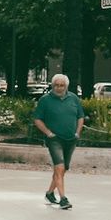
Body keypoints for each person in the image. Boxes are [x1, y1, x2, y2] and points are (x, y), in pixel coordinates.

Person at [32, 73, 84, 210]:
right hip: (54, 139)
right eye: (56, 85)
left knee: (63, 169)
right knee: (59, 167)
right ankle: (63, 199)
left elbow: (80, 117)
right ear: (52, 85)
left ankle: (50, 193)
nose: (59, 88)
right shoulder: (45, 100)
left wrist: (77, 133)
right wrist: (48, 133)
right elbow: (37, 119)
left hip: (71, 139)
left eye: (62, 85)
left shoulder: (73, 98)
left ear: (66, 86)